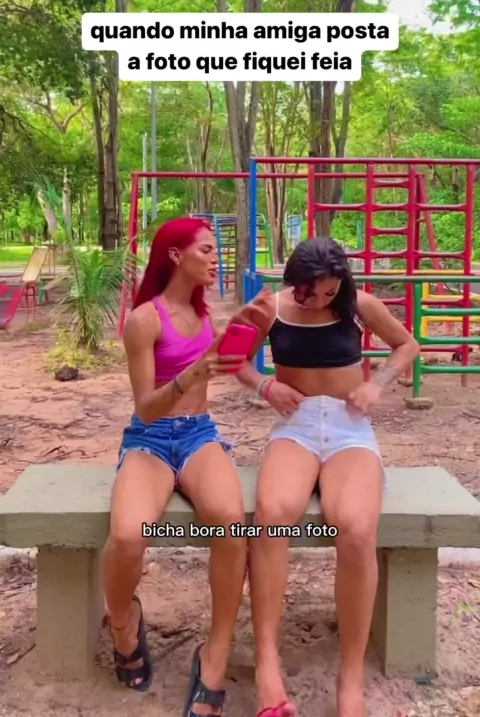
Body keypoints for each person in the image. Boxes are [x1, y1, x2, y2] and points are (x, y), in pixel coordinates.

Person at [229, 236, 420, 717]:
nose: (321, 300)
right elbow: (234, 360)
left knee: (355, 527)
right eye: (311, 292)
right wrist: (265, 386)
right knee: (272, 516)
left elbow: (407, 345)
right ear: (294, 281)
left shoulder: (360, 305)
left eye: (331, 291)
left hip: (349, 427)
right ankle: (268, 663)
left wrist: (377, 385)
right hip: (294, 426)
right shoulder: (271, 307)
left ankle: (350, 678)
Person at [102, 217, 248, 717]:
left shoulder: (204, 314)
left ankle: (215, 653)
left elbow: (226, 366)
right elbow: (145, 408)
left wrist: (252, 332)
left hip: (198, 435)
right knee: (128, 536)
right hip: (151, 439)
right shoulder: (145, 319)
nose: (215, 257)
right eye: (205, 249)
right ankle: (124, 623)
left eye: (215, 250)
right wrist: (191, 374)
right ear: (174, 256)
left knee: (232, 525)